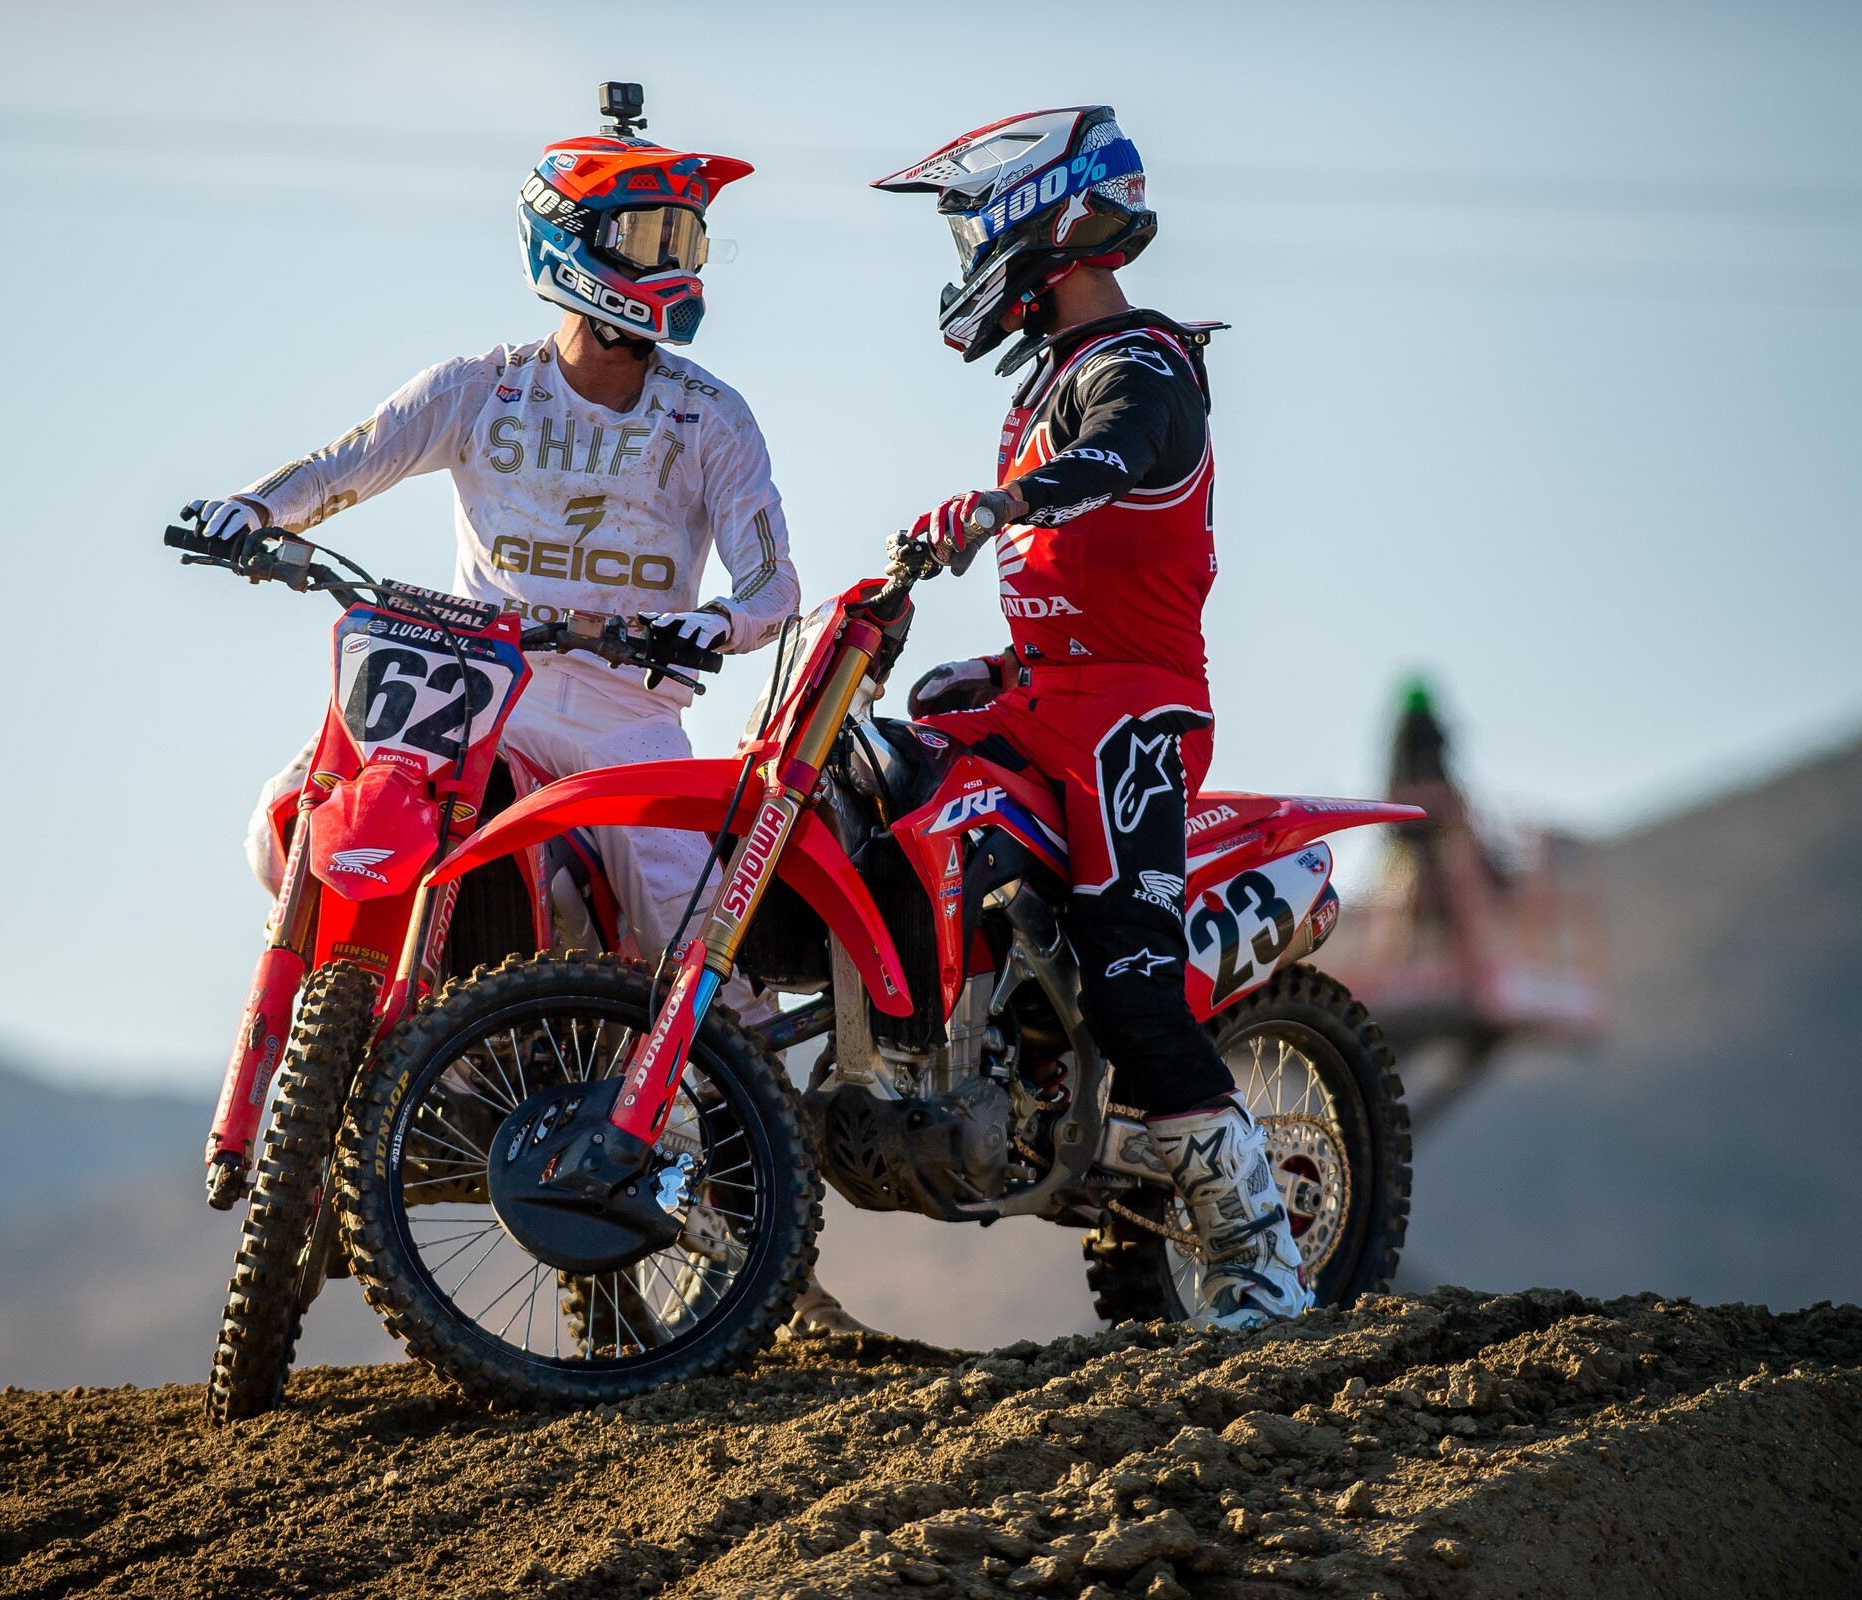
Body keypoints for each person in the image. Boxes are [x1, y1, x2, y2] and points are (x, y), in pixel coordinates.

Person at [183, 88, 867, 1336]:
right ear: (564, 244)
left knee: (689, 941)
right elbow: (342, 465)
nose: (674, 269)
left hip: (622, 710)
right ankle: (353, 1110)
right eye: (649, 240)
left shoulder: (708, 415)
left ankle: (768, 1231)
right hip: (472, 685)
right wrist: (248, 510)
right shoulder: (480, 388)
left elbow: (775, 585)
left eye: (686, 245)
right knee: (287, 825)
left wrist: (706, 627)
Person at [874, 106, 1311, 1331]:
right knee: (889, 790)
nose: (966, 256)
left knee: (1133, 977)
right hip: (1044, 692)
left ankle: (1256, 1255)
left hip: (1132, 714)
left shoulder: (1142, 365)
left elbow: (1119, 457)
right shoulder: (1051, 376)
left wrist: (1005, 498)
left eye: (974, 227)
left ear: (1039, 222)